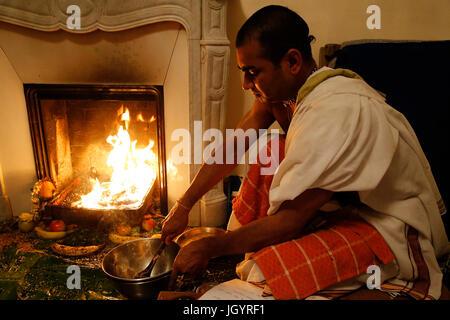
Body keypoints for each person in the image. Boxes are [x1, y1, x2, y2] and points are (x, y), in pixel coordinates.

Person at [161, 5, 449, 299]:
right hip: (334, 208)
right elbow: (236, 143)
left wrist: (212, 246)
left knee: (263, 272)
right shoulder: (288, 94)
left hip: (386, 225)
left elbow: (292, 220)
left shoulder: (334, 112)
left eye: (252, 72)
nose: (246, 85)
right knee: (274, 149)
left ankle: (397, 275)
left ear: (293, 62)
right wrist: (184, 206)